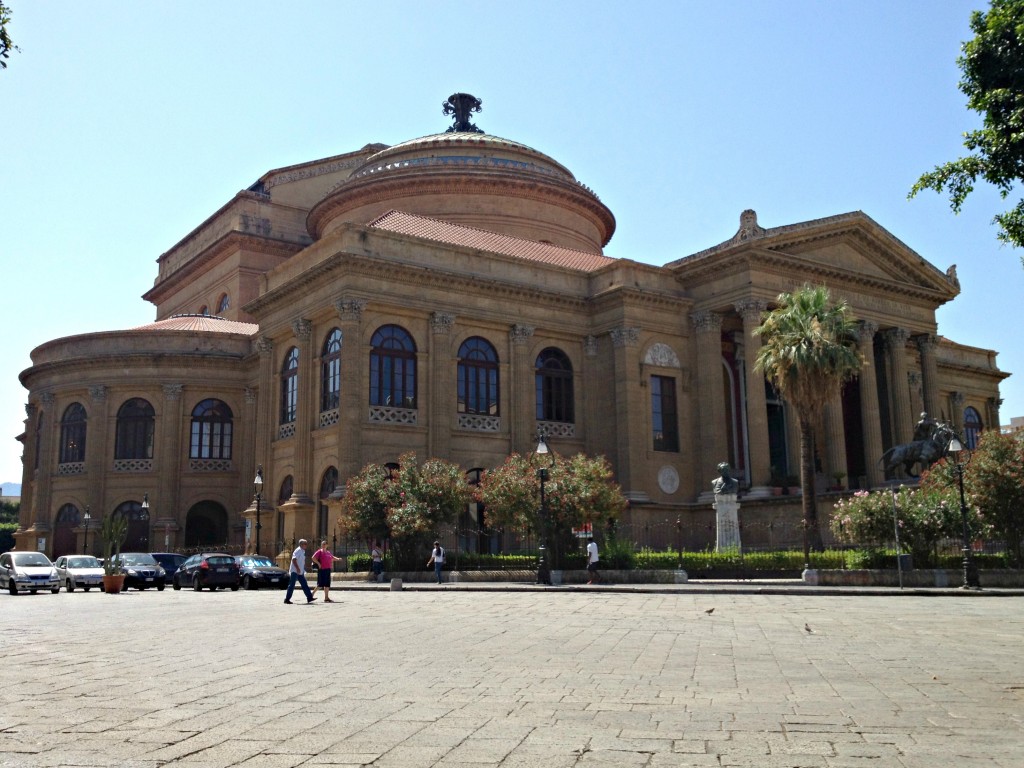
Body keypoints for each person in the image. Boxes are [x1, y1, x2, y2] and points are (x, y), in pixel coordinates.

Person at [284, 539, 316, 604]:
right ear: (301, 544)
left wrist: (302, 569)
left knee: (304, 584)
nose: (306, 545)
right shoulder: (298, 550)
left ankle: (309, 597)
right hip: (295, 571)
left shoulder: (302, 551)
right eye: (305, 544)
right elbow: (294, 560)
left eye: (306, 544)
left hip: (300, 571)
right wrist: (297, 568)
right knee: (292, 585)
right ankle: (287, 599)